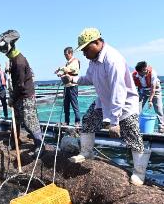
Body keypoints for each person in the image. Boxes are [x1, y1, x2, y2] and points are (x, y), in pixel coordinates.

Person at [62, 27, 150, 186]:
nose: (83, 53)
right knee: (88, 120)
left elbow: (119, 90)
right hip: (104, 101)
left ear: (96, 43)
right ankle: (87, 152)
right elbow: (89, 78)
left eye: (85, 49)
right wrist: (72, 80)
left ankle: (139, 172)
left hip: (124, 104)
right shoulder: (93, 61)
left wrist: (114, 121)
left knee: (133, 136)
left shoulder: (112, 59)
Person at [0, 30, 44, 157]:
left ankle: (40, 145)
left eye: (5, 51)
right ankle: (15, 140)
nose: (4, 54)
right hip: (18, 95)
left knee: (29, 121)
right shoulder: (14, 60)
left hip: (25, 95)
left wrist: (11, 98)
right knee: (15, 118)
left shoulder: (19, 62)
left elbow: (20, 85)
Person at [132, 61, 164, 133]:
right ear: (139, 71)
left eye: (146, 69)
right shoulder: (133, 75)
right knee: (137, 108)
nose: (147, 71)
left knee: (158, 108)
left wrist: (150, 100)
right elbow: (132, 87)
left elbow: (153, 88)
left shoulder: (152, 73)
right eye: (144, 70)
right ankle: (135, 125)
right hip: (142, 91)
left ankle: (161, 126)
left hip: (155, 90)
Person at [55, 47, 81, 127]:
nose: (65, 56)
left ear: (70, 53)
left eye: (66, 54)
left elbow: (73, 69)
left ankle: (77, 122)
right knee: (66, 105)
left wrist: (61, 68)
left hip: (73, 86)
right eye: (64, 55)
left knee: (74, 104)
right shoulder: (67, 63)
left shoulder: (75, 61)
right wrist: (60, 73)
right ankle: (67, 121)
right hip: (66, 86)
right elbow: (67, 71)